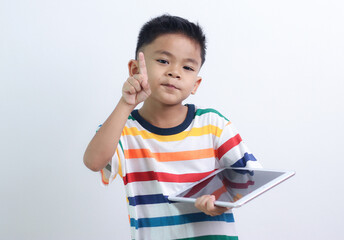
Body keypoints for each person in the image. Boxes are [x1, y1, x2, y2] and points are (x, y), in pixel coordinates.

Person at [83, 14, 262, 240]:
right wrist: (125, 104)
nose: (174, 72)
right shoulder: (124, 130)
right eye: (163, 61)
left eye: (187, 67)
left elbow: (250, 177)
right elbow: (93, 162)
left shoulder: (213, 124)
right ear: (135, 69)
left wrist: (222, 202)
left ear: (195, 84)